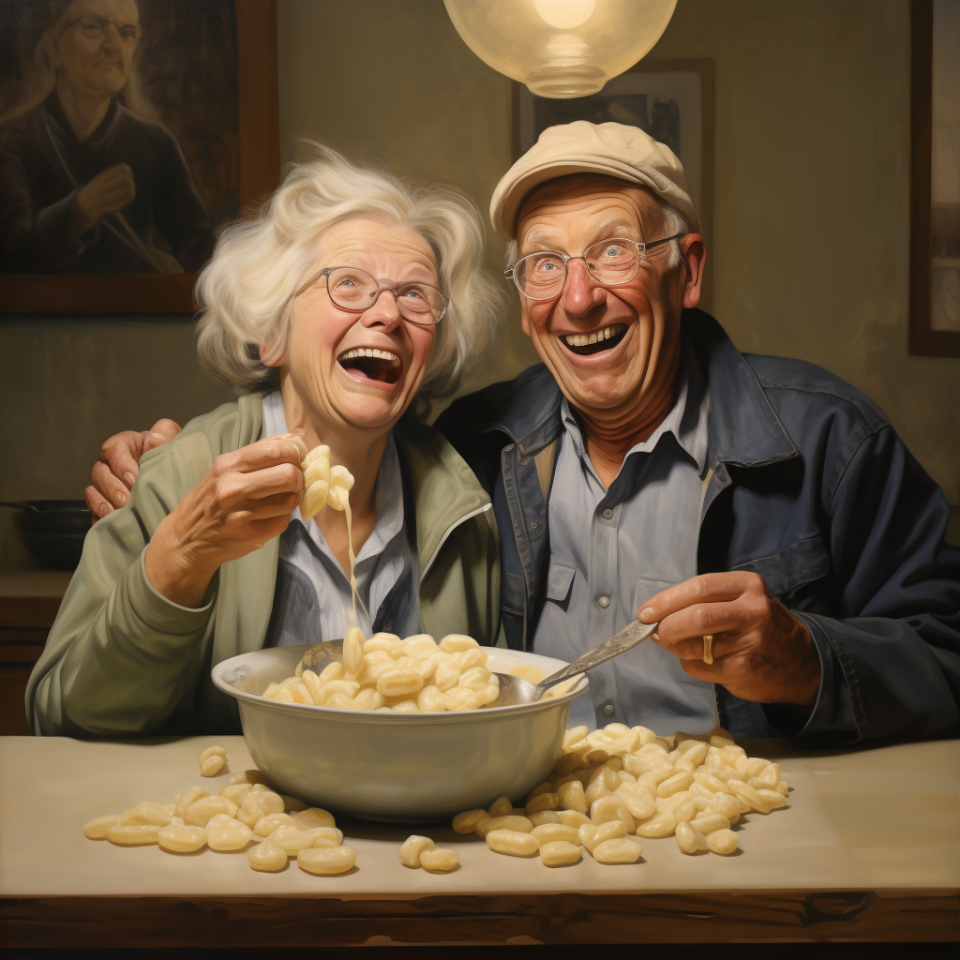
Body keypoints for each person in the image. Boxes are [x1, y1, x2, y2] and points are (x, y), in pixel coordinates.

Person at [85, 122, 960, 744]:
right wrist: (160, 471)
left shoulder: (831, 442)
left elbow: (946, 651)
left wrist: (807, 660)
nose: (577, 298)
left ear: (685, 270)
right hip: (523, 853)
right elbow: (334, 418)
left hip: (759, 844)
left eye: (614, 251)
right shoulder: (476, 447)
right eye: (545, 264)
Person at [27, 146, 502, 736]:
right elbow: (61, 714)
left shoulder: (465, 507)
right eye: (348, 283)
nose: (387, 314)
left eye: (414, 294)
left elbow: (490, 712)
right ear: (272, 333)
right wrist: (180, 557)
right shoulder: (178, 477)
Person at [0, 0, 213, 273]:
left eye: (126, 32)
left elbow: (201, 252)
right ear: (54, 49)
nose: (113, 45)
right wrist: (79, 211)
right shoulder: (11, 140)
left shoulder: (156, 144)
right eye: (92, 27)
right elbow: (8, 254)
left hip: (139, 312)